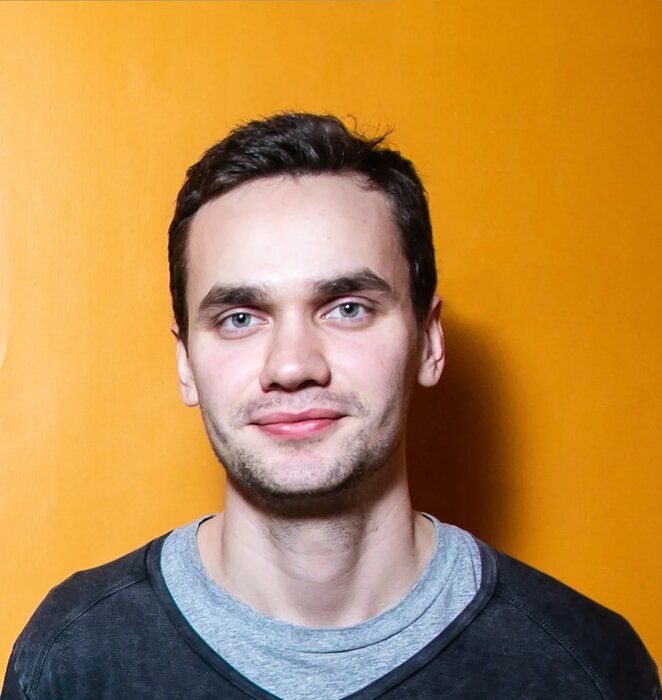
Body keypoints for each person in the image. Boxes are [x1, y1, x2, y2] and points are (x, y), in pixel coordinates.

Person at [2, 113, 659, 700]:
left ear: (429, 342)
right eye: (239, 318)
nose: (292, 366)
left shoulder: (586, 668)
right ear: (185, 363)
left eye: (347, 308)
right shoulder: (74, 660)